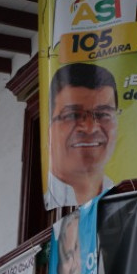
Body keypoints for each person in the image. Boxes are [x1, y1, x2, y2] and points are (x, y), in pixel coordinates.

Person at [45, 63, 119, 209]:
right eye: (73, 115)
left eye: (103, 114)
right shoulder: (39, 205)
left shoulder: (129, 200)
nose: (90, 128)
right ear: (48, 130)